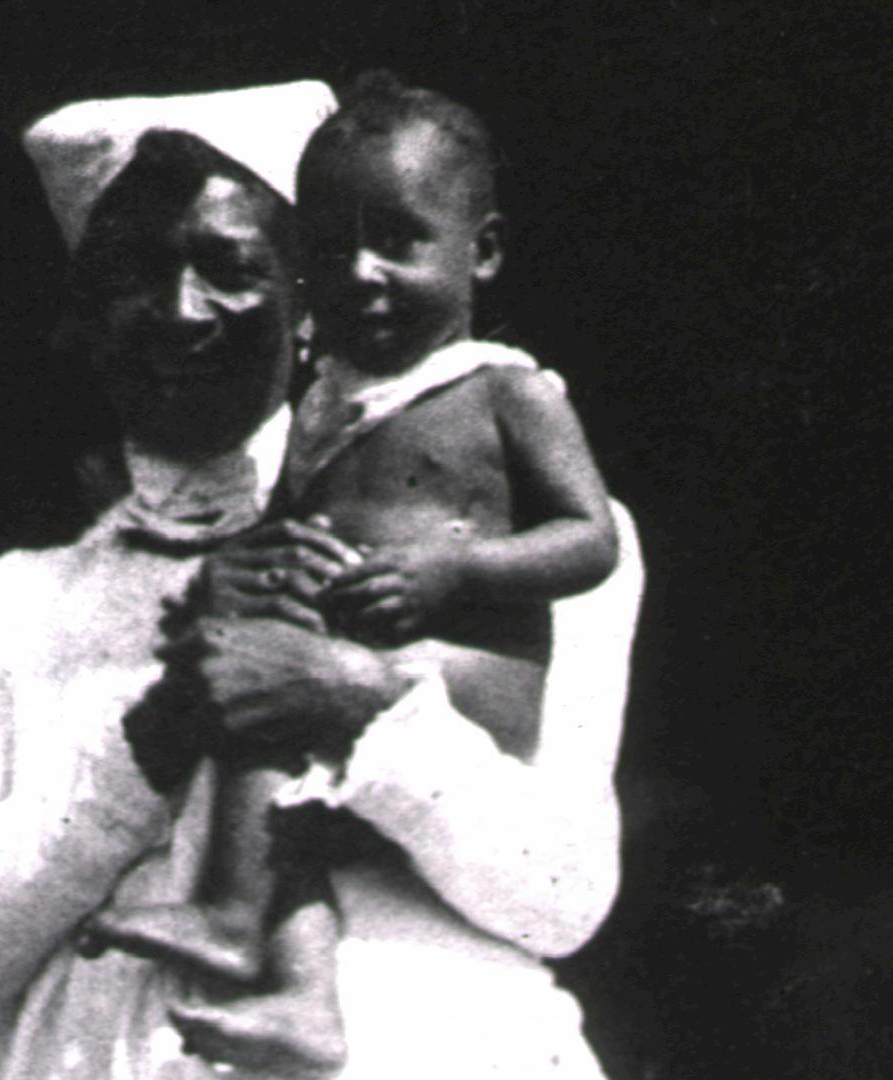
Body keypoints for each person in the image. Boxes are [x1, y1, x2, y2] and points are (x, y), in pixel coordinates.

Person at [0, 79, 645, 1080]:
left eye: (230, 266)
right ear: (78, 318)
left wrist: (358, 701)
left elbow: (560, 894)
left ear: (309, 303)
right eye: (131, 274)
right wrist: (155, 731)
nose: (179, 311)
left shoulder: (505, 537)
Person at [83, 71, 622, 1076]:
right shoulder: (330, 401)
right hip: (361, 648)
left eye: (402, 241)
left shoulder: (506, 390)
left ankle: (243, 921)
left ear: (484, 252)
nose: (364, 273)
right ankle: (284, 972)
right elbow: (290, 536)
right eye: (332, 249)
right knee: (265, 723)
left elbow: (591, 540)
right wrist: (247, 585)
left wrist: (454, 571)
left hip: (467, 672)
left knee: (283, 710)